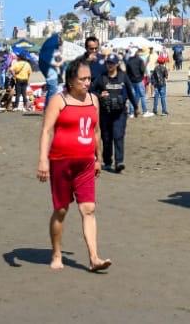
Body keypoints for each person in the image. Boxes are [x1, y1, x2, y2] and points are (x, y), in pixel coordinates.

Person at [37, 58, 109, 272]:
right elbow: (46, 131)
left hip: (85, 163)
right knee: (61, 210)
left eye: (89, 79)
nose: (87, 83)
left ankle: (94, 257)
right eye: (82, 79)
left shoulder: (93, 100)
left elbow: (96, 131)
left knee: (89, 208)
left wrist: (98, 158)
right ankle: (56, 253)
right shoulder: (58, 101)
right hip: (61, 162)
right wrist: (43, 160)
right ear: (70, 80)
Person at [94, 55, 130, 173]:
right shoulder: (102, 77)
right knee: (106, 138)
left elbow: (130, 91)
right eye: (108, 63)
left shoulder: (123, 77)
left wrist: (135, 106)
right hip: (105, 113)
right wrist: (100, 95)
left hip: (120, 113)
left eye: (112, 63)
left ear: (117, 64)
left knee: (118, 136)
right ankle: (108, 162)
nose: (110, 65)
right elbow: (92, 90)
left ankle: (119, 162)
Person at [124, 49, 146, 117]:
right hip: (139, 80)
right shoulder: (140, 60)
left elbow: (127, 72)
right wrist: (142, 76)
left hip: (131, 81)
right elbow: (142, 70)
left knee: (132, 96)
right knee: (142, 95)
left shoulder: (128, 61)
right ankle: (145, 111)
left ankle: (131, 112)